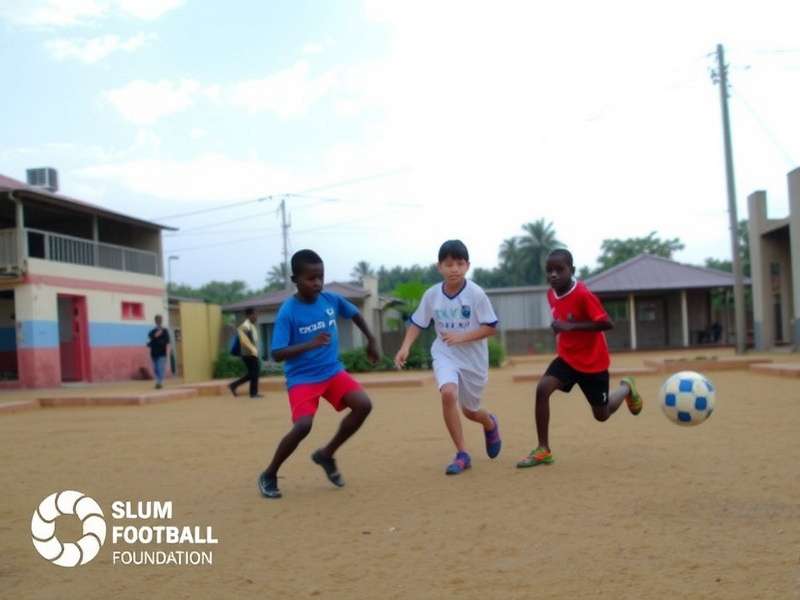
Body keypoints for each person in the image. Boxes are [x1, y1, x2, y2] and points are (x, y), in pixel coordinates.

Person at [257, 249, 378, 499]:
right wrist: (310, 344)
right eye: (311, 278)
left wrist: (371, 339)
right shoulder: (288, 312)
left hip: (332, 372)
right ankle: (269, 474)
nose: (318, 283)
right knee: (303, 426)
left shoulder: (330, 300)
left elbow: (354, 313)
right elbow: (277, 353)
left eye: (320, 277)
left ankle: (326, 453)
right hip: (302, 378)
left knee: (363, 405)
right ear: (295, 280)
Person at [516, 248, 643, 469]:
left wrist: (570, 326)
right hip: (567, 358)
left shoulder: (584, 295)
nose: (553, 275)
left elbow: (607, 324)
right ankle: (543, 449)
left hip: (593, 363)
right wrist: (561, 328)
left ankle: (626, 388)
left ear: (572, 270)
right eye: (549, 271)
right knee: (542, 389)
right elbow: (562, 318)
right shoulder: (551, 294)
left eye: (559, 270)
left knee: (602, 415)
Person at [395, 239, 502, 475]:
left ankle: (489, 423)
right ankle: (463, 453)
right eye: (449, 263)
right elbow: (417, 322)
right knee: (448, 393)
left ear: (467, 266)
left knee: (471, 411)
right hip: (445, 353)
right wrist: (405, 347)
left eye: (460, 263)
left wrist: (462, 337)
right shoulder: (432, 295)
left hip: (473, 359)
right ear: (439, 267)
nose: (454, 268)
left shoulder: (476, 294)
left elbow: (492, 327)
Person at [229, 308, 263, 399]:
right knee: (254, 373)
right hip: (248, 353)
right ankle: (253, 393)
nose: (256, 317)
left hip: (251, 353)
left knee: (253, 373)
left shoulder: (250, 326)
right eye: (254, 315)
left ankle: (234, 385)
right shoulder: (245, 326)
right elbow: (244, 342)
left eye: (256, 315)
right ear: (249, 315)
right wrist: (252, 351)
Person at [147, 315, 171, 389]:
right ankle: (158, 380)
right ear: (155, 321)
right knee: (155, 368)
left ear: (161, 321)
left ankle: (159, 382)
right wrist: (156, 336)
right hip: (153, 352)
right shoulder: (152, 331)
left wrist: (159, 341)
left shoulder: (165, 331)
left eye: (159, 320)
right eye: (157, 320)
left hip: (162, 352)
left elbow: (167, 340)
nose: (158, 321)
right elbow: (150, 336)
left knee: (160, 367)